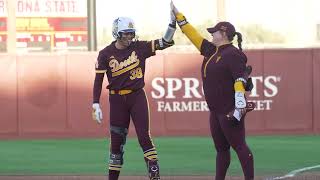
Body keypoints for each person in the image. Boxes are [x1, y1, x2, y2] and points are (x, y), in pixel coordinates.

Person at [170, 2, 254, 180]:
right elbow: (193, 36)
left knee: (240, 147)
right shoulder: (211, 50)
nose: (211, 34)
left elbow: (241, 79)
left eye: (214, 31)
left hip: (229, 109)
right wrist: (179, 18)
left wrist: (240, 102)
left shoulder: (233, 54)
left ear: (223, 34)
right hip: (215, 111)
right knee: (221, 150)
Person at [92, 16, 176, 180]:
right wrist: (95, 103)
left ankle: (155, 176)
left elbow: (164, 42)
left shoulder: (139, 47)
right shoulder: (105, 54)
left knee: (144, 136)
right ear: (117, 33)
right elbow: (98, 80)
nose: (130, 36)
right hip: (116, 100)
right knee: (116, 143)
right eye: (126, 33)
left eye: (132, 33)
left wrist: (172, 24)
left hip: (137, 96)